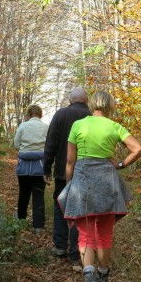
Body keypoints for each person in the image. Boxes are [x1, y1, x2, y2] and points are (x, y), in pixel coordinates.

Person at [58, 90, 141, 282]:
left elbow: (70, 161)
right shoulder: (114, 126)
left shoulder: (78, 125)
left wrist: (70, 185)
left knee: (85, 233)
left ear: (91, 105)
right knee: (104, 231)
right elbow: (138, 149)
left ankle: (89, 274)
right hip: (107, 180)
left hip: (83, 180)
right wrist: (121, 164)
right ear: (109, 106)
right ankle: (103, 273)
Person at [43, 87, 90, 263]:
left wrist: (46, 168)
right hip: (86, 172)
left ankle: (61, 246)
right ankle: (77, 250)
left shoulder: (61, 115)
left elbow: (51, 142)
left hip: (64, 171)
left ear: (70, 100)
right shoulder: (92, 116)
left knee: (61, 206)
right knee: (82, 210)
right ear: (86, 100)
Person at [13, 105, 49, 232]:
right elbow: (49, 146)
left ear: (29, 114)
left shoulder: (23, 126)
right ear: (40, 114)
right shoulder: (46, 127)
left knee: (24, 193)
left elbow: (16, 145)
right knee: (39, 194)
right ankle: (38, 226)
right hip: (40, 165)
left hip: (24, 165)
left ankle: (21, 220)